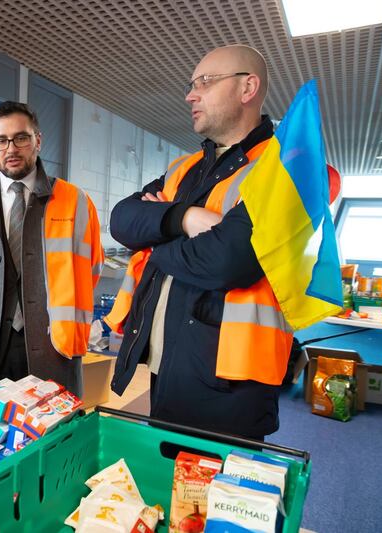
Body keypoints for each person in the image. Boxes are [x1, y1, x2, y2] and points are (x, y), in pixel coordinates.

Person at [105, 45, 290, 439]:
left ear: (248, 88)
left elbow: (225, 260)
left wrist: (153, 238)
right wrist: (183, 217)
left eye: (204, 82)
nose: (191, 95)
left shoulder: (281, 169)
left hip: (229, 384)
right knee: (167, 488)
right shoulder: (184, 168)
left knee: (213, 499)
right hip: (169, 365)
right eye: (192, 85)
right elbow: (121, 219)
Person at [0, 101, 104, 396]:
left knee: (53, 436)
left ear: (38, 141)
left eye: (21, 138)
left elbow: (92, 267)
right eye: (1, 140)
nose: (11, 149)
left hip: (53, 346)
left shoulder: (76, 202)